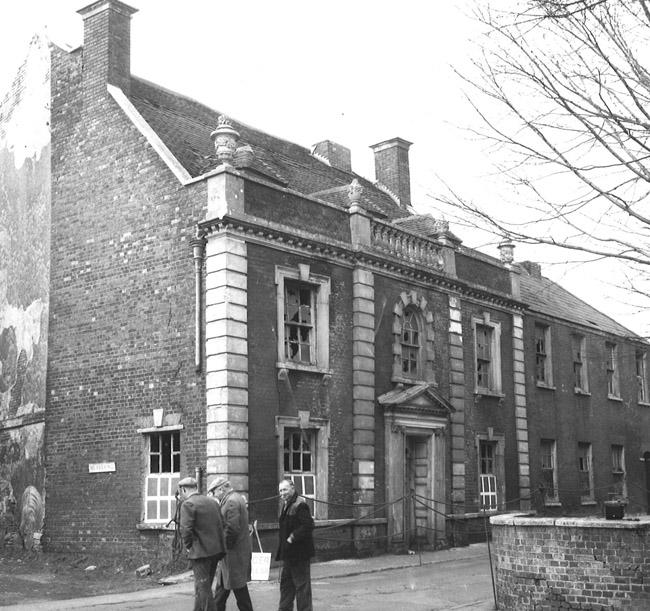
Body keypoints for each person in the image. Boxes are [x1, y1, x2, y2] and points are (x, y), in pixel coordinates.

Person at [178, 476, 226, 611]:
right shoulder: (213, 502)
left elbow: (185, 530)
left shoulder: (188, 504)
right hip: (216, 551)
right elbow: (222, 524)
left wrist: (188, 547)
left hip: (200, 553)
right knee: (202, 586)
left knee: (203, 589)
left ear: (183, 489)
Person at [208, 476, 254, 611]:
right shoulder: (236, 498)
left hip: (233, 554)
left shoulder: (231, 502)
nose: (214, 495)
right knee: (224, 589)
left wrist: (222, 548)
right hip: (234, 554)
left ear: (221, 488)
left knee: (238, 589)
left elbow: (231, 529)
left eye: (214, 491)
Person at [275, 478, 314, 611]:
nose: (282, 493)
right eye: (280, 490)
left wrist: (292, 537)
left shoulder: (300, 505)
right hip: (288, 554)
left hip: (299, 554)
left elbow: (308, 525)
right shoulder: (286, 504)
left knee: (302, 587)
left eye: (285, 489)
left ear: (292, 488)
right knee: (286, 586)